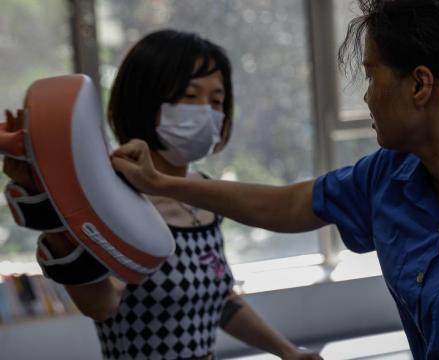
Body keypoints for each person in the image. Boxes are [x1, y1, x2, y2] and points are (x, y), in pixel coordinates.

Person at [111, 1, 439, 359]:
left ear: (420, 85)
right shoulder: (397, 172)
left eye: (373, 74)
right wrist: (166, 184)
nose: (365, 97)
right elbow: (292, 206)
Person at [3, 29, 321, 360]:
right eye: (188, 96)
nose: (206, 113)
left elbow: (220, 301)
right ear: (145, 99)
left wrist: (287, 352)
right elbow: (100, 304)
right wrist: (48, 209)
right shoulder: (113, 197)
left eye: (216, 101)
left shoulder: (205, 197)